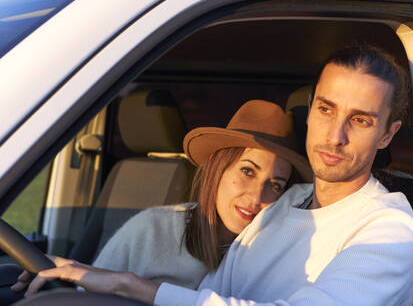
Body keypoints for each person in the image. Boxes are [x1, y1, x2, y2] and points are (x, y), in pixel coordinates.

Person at [148, 45, 413, 305]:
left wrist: (138, 288)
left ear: (387, 134)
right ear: (310, 108)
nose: (335, 136)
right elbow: (211, 291)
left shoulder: (389, 229)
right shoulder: (286, 201)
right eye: (326, 109)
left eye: (360, 120)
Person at [11, 100, 312, 303]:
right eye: (247, 171)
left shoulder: (277, 250)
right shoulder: (153, 229)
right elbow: (87, 295)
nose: (258, 196)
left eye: (275, 185)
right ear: (218, 170)